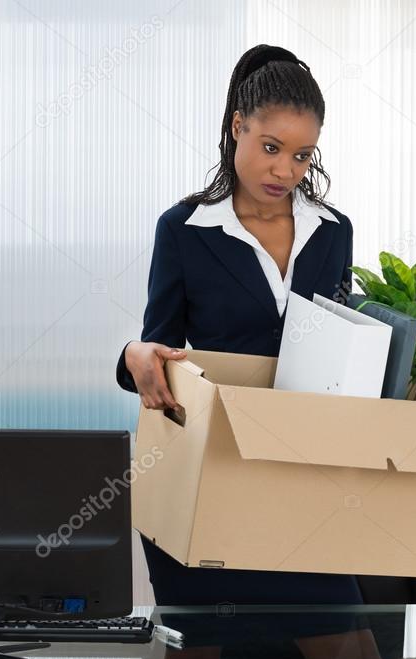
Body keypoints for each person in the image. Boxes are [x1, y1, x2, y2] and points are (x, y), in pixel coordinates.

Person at [115, 44, 364, 606]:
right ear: (237, 128)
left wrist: (411, 362)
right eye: (271, 147)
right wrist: (134, 354)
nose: (285, 170)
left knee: (348, 654)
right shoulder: (185, 229)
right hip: (210, 477)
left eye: (303, 155)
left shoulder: (333, 231)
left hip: (307, 481)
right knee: (196, 655)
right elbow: (161, 352)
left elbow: (341, 343)